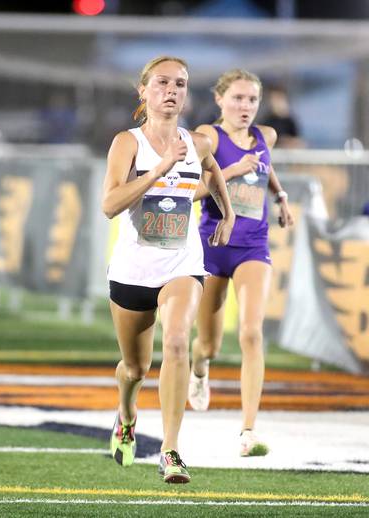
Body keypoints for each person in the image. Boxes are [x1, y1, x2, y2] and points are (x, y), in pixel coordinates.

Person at [102, 56, 235, 484]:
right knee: (135, 369)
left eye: (180, 83)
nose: (172, 90)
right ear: (143, 91)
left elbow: (213, 170)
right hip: (133, 270)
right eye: (162, 82)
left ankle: (170, 450)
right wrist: (159, 170)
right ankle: (126, 412)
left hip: (183, 264)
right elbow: (109, 206)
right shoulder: (128, 142)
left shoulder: (196, 141)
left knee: (178, 341)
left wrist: (227, 213)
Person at [188, 69, 294, 457]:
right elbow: (194, 191)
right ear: (220, 100)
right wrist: (231, 171)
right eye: (237, 98)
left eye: (251, 99)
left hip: (253, 245)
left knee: (251, 333)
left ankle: (248, 430)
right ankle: (199, 371)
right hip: (213, 244)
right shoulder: (207, 136)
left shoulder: (267, 135)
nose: (245, 106)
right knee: (209, 345)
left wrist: (280, 196)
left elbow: (265, 166)